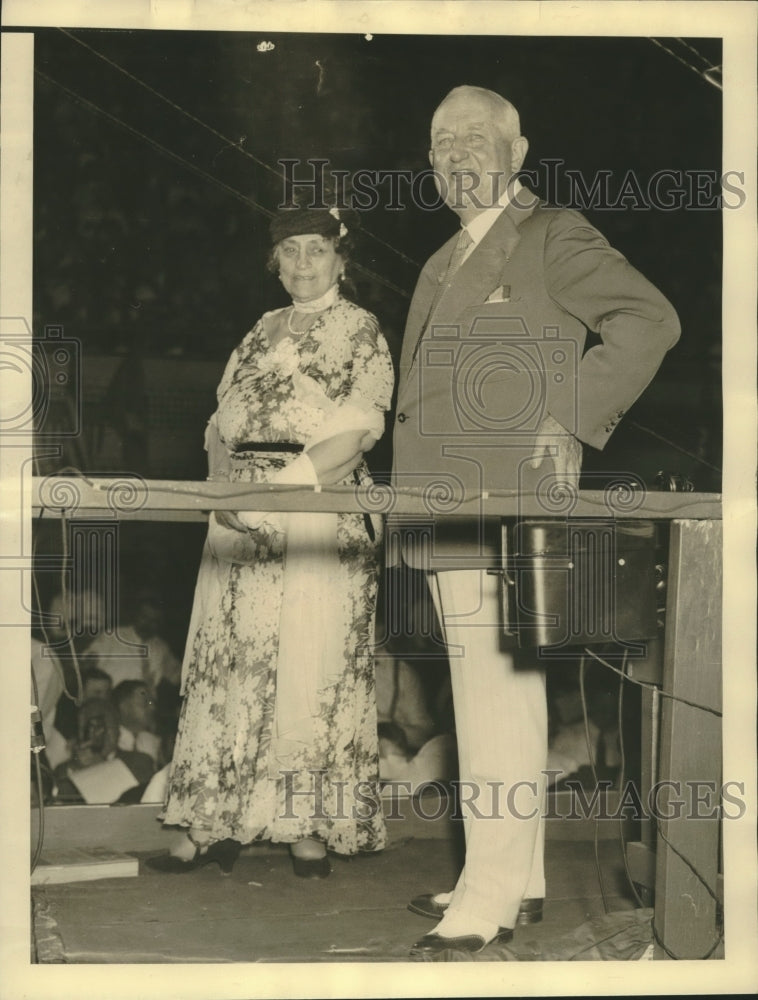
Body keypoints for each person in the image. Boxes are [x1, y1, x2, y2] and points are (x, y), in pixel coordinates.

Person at [391, 85, 680, 958]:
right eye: (441, 141)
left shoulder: (552, 234)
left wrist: (573, 412)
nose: (456, 154)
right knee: (493, 699)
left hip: (506, 504)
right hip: (442, 510)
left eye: (477, 138)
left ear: (519, 153)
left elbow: (651, 320)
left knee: (493, 702)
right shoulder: (442, 259)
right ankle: (515, 875)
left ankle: (484, 899)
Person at [148, 204, 394, 879]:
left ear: (342, 259)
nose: (304, 263)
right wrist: (225, 491)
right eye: (291, 250)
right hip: (240, 510)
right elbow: (219, 418)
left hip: (316, 506)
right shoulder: (260, 331)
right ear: (276, 262)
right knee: (228, 667)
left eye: (318, 249)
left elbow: (357, 432)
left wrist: (279, 494)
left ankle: (306, 826)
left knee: (307, 669)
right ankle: (210, 821)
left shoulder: (360, 331)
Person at [113, 679, 162, 767]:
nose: (152, 708)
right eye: (145, 703)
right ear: (124, 707)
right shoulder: (111, 741)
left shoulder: (152, 741)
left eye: (152, 703)